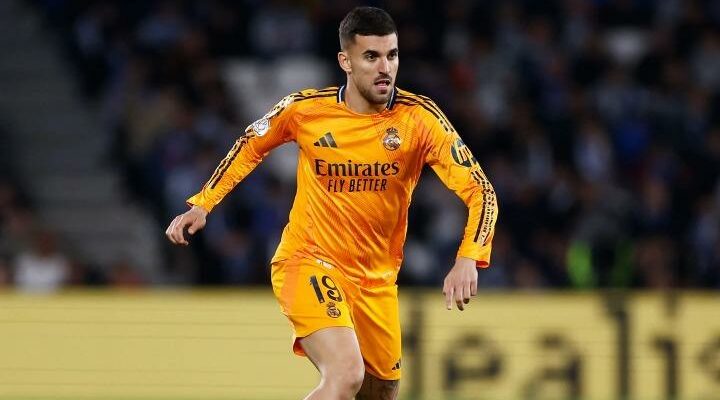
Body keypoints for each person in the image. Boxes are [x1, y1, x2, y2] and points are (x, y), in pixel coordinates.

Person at [166, 6, 497, 400]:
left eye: (391, 55)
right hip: (309, 260)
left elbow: (481, 190)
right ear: (345, 61)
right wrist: (203, 203)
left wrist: (467, 257)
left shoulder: (419, 119)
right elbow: (250, 144)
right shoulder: (306, 110)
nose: (384, 68)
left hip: (376, 280)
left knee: (381, 392)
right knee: (345, 375)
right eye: (371, 57)